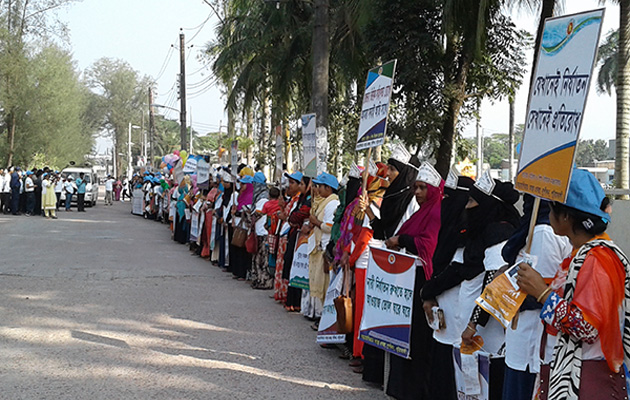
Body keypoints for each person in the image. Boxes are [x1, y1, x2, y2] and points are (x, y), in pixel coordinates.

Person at [517, 168, 630, 399]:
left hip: (582, 379)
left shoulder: (597, 259)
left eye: (551, 209)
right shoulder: (580, 254)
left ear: (567, 216)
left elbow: (585, 328)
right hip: (566, 375)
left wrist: (542, 293)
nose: (548, 215)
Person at [500, 195, 571, 400]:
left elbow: (542, 291)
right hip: (521, 336)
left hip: (530, 341)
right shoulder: (533, 229)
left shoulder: (543, 232)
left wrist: (508, 289)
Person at [384, 162, 444, 400]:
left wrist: (402, 240)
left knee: (418, 338)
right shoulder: (421, 212)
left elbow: (428, 245)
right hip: (408, 278)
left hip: (421, 280)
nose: (417, 193)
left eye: (422, 188)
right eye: (415, 187)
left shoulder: (437, 211)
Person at [307, 172, 340, 328]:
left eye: (320, 186)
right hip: (319, 246)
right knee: (320, 283)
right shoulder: (323, 202)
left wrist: (316, 222)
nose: (317, 189)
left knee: (326, 285)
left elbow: (330, 227)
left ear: (328, 188)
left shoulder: (332, 204)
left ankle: (325, 320)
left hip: (326, 248)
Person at [250, 172, 274, 289]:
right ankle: (258, 279)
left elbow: (259, 213)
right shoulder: (257, 196)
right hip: (258, 231)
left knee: (263, 259)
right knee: (257, 258)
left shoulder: (263, 197)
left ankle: (265, 281)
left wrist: (250, 215)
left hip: (264, 232)